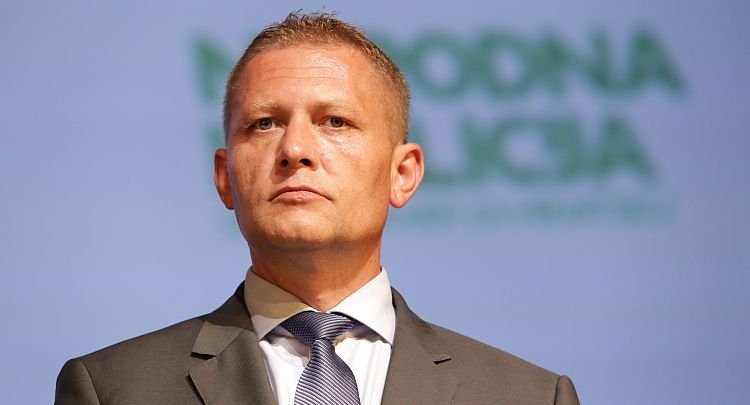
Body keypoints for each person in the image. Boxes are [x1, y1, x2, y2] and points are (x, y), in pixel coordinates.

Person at [55, 12, 579, 405]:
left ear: (402, 173)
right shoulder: (114, 389)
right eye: (264, 123)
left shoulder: (530, 397)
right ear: (225, 177)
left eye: (335, 122)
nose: (295, 149)